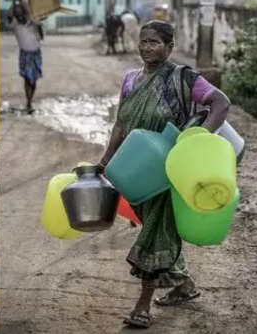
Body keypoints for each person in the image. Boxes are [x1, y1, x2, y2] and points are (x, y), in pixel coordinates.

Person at [98, 20, 231, 329]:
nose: (147, 47)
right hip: (135, 167)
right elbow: (121, 124)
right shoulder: (130, 80)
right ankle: (183, 284)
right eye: (143, 41)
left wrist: (195, 139)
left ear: (170, 47)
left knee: (155, 231)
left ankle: (142, 306)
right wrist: (105, 160)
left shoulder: (182, 78)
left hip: (167, 167)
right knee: (155, 224)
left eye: (155, 42)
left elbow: (221, 104)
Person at [7, 0, 43, 114]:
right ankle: (29, 102)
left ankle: (30, 100)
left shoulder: (33, 23)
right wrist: (14, 2)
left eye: (20, 12)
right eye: (17, 13)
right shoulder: (15, 25)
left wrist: (22, 1)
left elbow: (41, 36)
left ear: (24, 13)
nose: (19, 15)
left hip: (36, 53)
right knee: (27, 78)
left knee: (34, 80)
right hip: (25, 54)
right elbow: (9, 15)